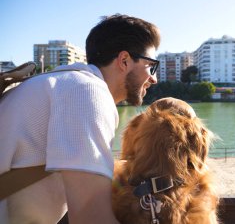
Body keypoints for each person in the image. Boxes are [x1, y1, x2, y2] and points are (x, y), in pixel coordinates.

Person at [0, 14, 161, 224]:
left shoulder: (63, 82)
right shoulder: (86, 91)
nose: (154, 79)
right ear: (124, 60)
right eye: (151, 66)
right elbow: (91, 217)